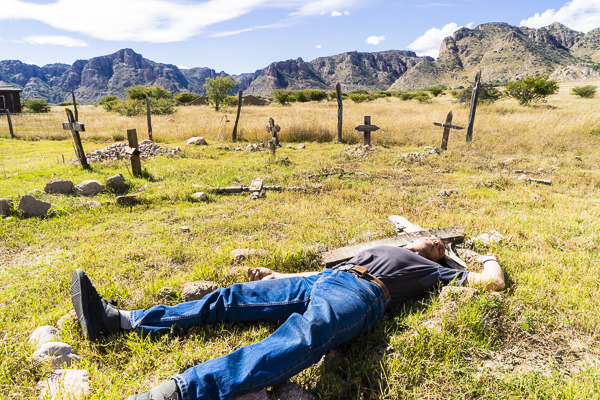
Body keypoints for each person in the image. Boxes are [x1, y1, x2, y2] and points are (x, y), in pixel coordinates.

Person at [70, 237, 505, 400]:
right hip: (325, 278)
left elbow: (493, 284)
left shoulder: (435, 271)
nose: (433, 241)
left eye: (438, 244)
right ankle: (121, 321)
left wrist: (488, 257)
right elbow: (326, 272)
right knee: (232, 298)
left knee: (304, 334)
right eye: (430, 238)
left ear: (440, 256)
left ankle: (181, 391)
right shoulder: (386, 246)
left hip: (364, 292)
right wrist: (280, 276)